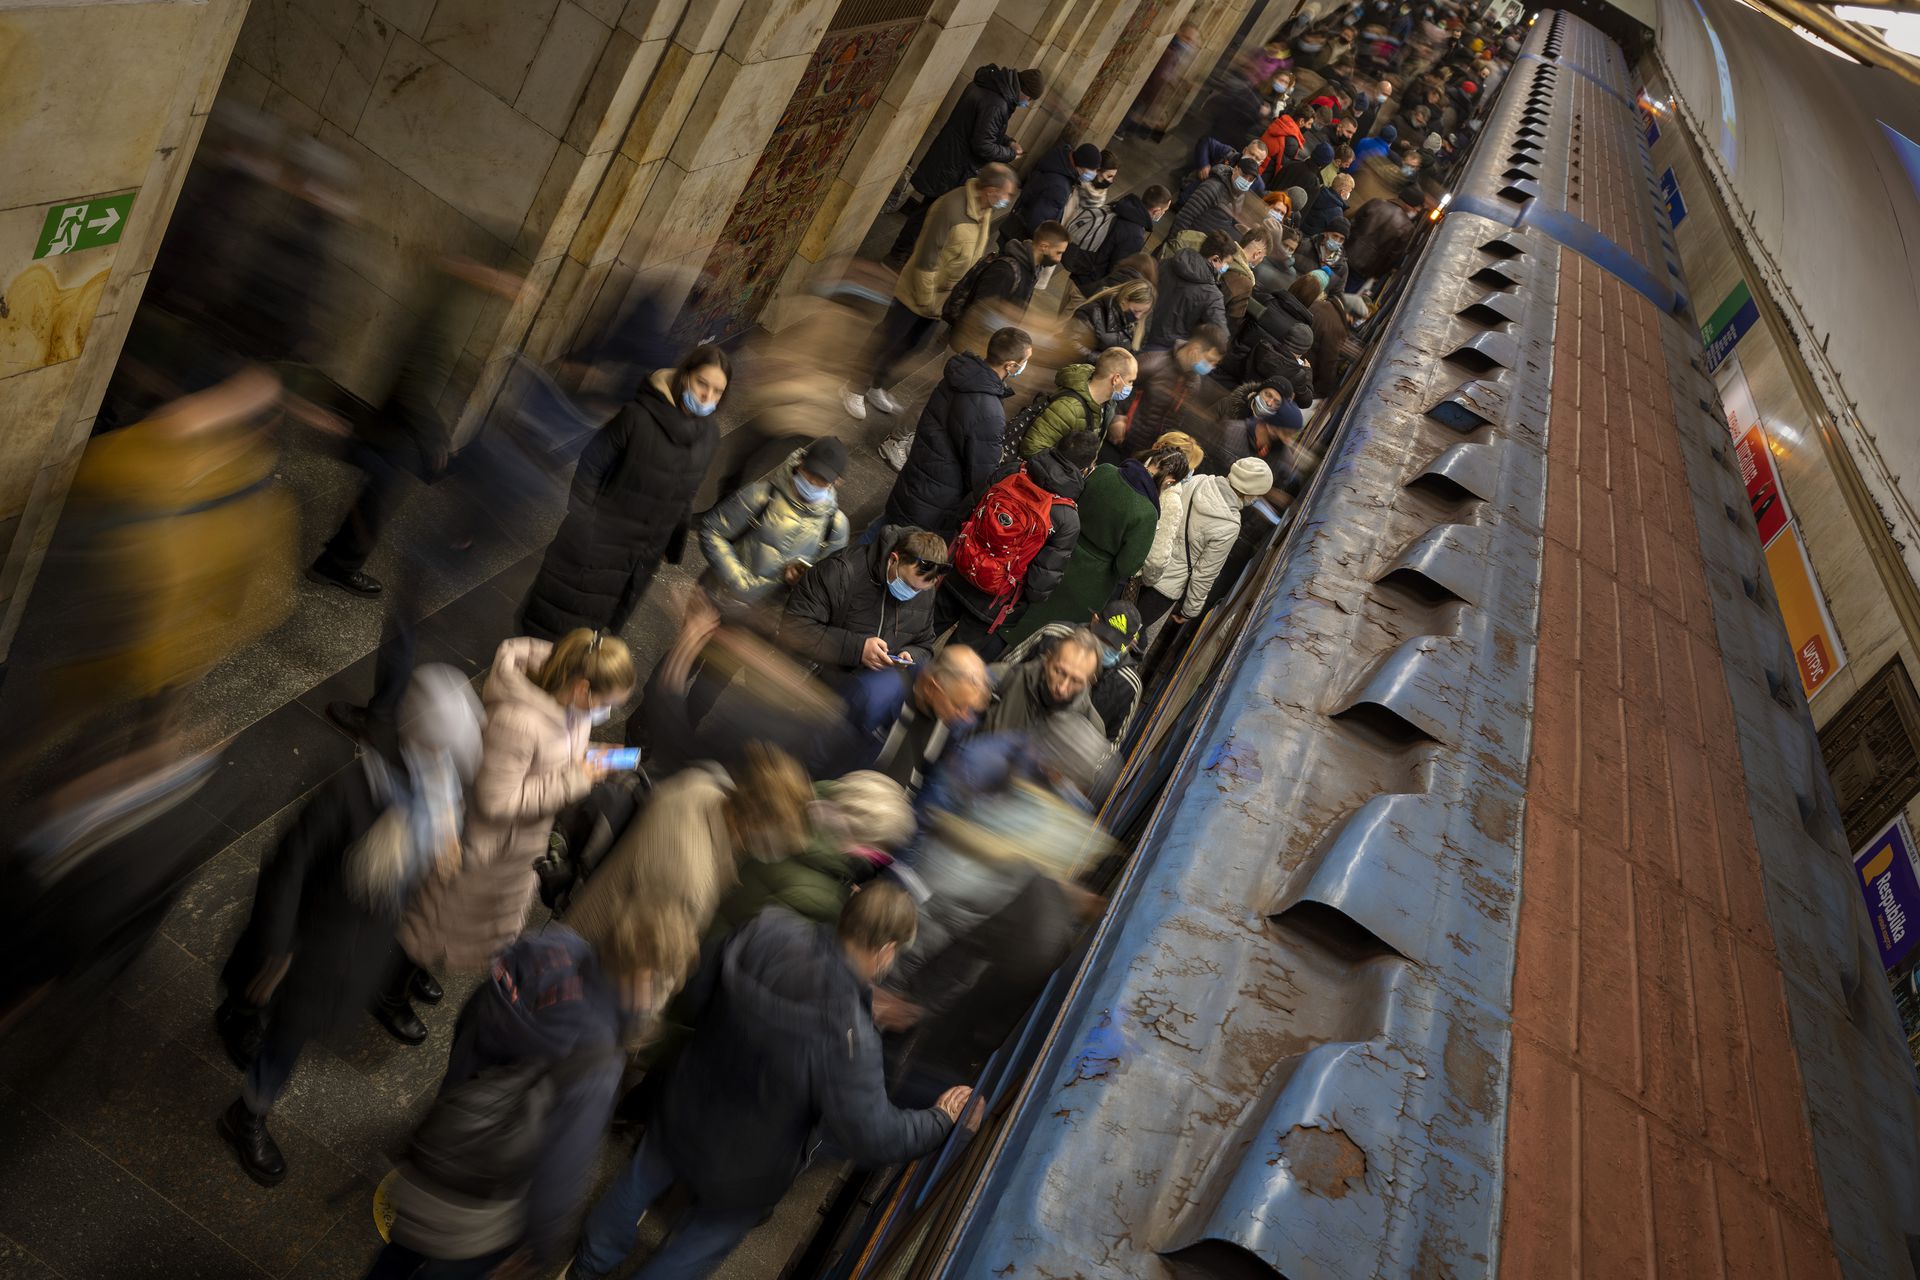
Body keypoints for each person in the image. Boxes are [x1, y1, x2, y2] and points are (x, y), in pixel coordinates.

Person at [565, 883, 969, 1280]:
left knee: (638, 1179)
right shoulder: (851, 1038)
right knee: (698, 1245)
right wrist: (940, 1119)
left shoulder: (768, 928)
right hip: (746, 1168)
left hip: (687, 1102)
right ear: (886, 951)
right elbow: (874, 1135)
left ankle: (589, 1263)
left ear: (849, 909)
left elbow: (698, 988)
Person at [216, 667, 485, 1185]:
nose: (448, 766)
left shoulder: (437, 793)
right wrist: (277, 946)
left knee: (283, 1018)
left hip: (355, 947)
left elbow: (432, 834)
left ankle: (242, 1012)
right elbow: (288, 866)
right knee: (282, 1034)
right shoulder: (351, 792)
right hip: (310, 944)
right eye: (443, 753)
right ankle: (246, 1113)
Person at [389, 632, 635, 1038]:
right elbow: (495, 800)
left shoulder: (571, 708)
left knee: (447, 924)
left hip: (515, 847)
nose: (607, 710)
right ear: (582, 687)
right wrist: (577, 777)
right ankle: (389, 991)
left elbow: (556, 755)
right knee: (432, 918)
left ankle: (411, 972)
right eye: (607, 701)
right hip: (484, 847)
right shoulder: (519, 722)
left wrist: (591, 756)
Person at [367, 925, 630, 1279]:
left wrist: (452, 1097)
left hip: (445, 1138)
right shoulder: (601, 1057)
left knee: (399, 1252)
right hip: (488, 1202)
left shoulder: (551, 946)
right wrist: (539, 1248)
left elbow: (473, 1018)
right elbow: (562, 1171)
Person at [308, 258, 521, 598]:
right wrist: (436, 436)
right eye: (512, 282)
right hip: (401, 431)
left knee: (376, 493)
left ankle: (337, 558)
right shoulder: (450, 307)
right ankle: (336, 565)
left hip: (396, 425)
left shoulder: (454, 298)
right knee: (380, 498)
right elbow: (412, 383)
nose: (517, 291)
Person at [564, 743, 814, 1021]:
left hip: (577, 935)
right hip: (587, 985)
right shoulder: (692, 879)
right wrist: (639, 1028)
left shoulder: (701, 786)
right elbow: (651, 966)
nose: (777, 851)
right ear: (755, 822)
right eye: (780, 839)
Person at [519, 345, 727, 639]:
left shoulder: (709, 435)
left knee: (597, 627)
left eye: (718, 391)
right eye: (702, 384)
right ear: (685, 376)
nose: (707, 397)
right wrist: (585, 523)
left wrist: (671, 545)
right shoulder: (637, 417)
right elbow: (592, 464)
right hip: (598, 540)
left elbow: (685, 494)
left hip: (642, 552)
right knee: (556, 618)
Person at [851, 165, 1018, 422]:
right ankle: (855, 385)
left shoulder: (983, 209)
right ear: (991, 190)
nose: (1007, 200)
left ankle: (876, 384)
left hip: (940, 297)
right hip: (919, 290)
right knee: (888, 338)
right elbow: (927, 258)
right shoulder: (951, 207)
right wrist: (927, 300)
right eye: (1006, 194)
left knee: (913, 344)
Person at [1002, 445, 1186, 644]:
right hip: (1090, 583)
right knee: (1052, 639)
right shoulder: (1147, 513)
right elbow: (1127, 566)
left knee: (1019, 620)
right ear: (1169, 481)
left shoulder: (1105, 470)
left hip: (1056, 550)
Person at [938, 431, 1097, 654]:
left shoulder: (1014, 470)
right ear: (1085, 469)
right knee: (951, 663)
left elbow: (967, 510)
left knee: (921, 633)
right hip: (993, 601)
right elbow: (1040, 584)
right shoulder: (1067, 517)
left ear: (1056, 447)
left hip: (959, 569)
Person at [708, 772, 914, 937]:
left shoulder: (797, 797)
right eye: (878, 854)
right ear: (861, 843)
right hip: (711, 946)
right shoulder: (824, 897)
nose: (875, 860)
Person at [878, 326, 1030, 525]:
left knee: (886, 524)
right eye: (1025, 361)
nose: (1025, 365)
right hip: (937, 499)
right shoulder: (990, 413)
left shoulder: (959, 375)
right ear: (1010, 365)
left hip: (916, 471)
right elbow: (981, 474)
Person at [887, 66, 1041, 261]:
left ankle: (904, 252)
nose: (1027, 103)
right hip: (955, 165)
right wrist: (1010, 154)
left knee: (929, 210)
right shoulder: (997, 103)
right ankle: (900, 254)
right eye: (1029, 99)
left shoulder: (989, 87)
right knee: (929, 213)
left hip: (949, 157)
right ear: (1023, 91)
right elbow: (983, 145)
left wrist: (1007, 141)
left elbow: (983, 128)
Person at [697, 438, 851, 607]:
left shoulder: (835, 527)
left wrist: (798, 582)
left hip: (765, 619)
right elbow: (712, 530)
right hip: (718, 597)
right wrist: (738, 581)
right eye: (809, 472)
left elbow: (823, 585)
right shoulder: (761, 495)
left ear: (837, 482)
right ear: (801, 462)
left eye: (822, 480)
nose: (812, 482)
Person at [781, 527, 949, 675]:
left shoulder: (925, 591)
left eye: (920, 589)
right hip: (814, 677)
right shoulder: (840, 572)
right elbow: (795, 626)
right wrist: (858, 649)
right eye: (907, 584)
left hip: (861, 687)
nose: (912, 593)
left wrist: (909, 654)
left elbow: (925, 645)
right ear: (893, 559)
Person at [829, 646, 993, 792]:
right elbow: (821, 751)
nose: (966, 717)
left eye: (970, 709)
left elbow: (933, 781)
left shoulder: (953, 724)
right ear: (931, 687)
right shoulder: (873, 695)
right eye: (958, 706)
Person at [1139, 458, 1274, 633]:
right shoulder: (1229, 525)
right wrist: (1189, 610)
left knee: (1109, 616)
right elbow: (1205, 573)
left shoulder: (1199, 481)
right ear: (1249, 494)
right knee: (1125, 631)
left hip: (1144, 560)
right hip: (1165, 587)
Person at [997, 601, 1146, 749]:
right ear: (1094, 620)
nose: (1103, 649)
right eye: (1102, 638)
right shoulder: (1054, 634)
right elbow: (1007, 669)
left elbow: (1109, 749)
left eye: (1113, 645)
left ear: (1130, 644)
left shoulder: (1128, 685)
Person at [944, 226, 1068, 360]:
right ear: (1044, 247)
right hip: (968, 349)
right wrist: (1033, 325)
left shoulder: (1032, 270)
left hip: (987, 347)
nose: (1059, 259)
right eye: (1059, 252)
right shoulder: (1006, 271)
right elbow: (981, 313)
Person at [1113, 326, 1230, 457]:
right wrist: (1115, 418)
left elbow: (1176, 419)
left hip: (1147, 453)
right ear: (1194, 350)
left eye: (1215, 363)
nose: (1211, 367)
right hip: (1119, 442)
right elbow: (1113, 385)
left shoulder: (1195, 383)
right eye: (1209, 360)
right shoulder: (1152, 363)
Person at [978, 626, 1106, 738]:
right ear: (1048, 659)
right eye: (1059, 672)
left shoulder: (1092, 730)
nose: (1062, 688)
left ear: (1090, 681)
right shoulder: (1000, 677)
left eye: (1076, 681)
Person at [1017, 348, 1137, 458]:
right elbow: (1031, 449)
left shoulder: (1107, 405)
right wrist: (1067, 474)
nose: (1130, 386)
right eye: (1130, 381)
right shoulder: (1068, 408)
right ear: (1115, 379)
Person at [1064, 182, 1166, 301]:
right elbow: (1117, 271)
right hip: (1089, 290)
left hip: (1078, 274)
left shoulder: (1121, 207)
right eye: (1164, 211)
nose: (1163, 214)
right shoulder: (1135, 234)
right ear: (1157, 211)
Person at [1141, 231, 1233, 352]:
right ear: (1215, 259)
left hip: (1138, 331)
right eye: (1226, 263)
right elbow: (1221, 336)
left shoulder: (1168, 262)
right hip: (1165, 351)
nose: (1226, 268)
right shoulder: (1212, 296)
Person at [1000, 141, 1100, 248]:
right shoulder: (1059, 188)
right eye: (1093, 169)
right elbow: (1038, 222)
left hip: (1015, 224)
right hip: (1021, 241)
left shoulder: (1058, 160)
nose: (1095, 173)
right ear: (1082, 166)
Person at [1121, 22, 1202, 140]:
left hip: (1144, 95)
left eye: (1192, 42)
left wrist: (1179, 82)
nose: (1189, 44)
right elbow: (1159, 76)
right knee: (1127, 119)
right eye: (1187, 39)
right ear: (1179, 33)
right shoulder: (1170, 52)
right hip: (1142, 93)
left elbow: (1167, 72)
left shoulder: (1175, 51)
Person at [1345, 181, 1425, 292]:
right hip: (1363, 270)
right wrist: (1376, 275)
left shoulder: (1376, 203)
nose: (1415, 212)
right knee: (1337, 300)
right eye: (1416, 209)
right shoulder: (1407, 227)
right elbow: (1392, 257)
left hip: (1345, 254)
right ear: (1409, 205)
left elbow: (1352, 223)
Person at [1165, 156, 1261, 247]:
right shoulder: (1213, 187)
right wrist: (1173, 243)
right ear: (1235, 169)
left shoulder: (1240, 197)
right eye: (1244, 175)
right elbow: (1185, 216)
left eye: (1251, 179)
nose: (1246, 181)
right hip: (1187, 242)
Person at [1067, 279, 1155, 358]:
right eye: (1136, 311)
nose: (1138, 317)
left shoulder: (1133, 324)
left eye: (1143, 313)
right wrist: (1104, 361)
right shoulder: (1093, 312)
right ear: (1125, 299)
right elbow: (1070, 342)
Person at [1308, 285, 1354, 398]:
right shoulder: (1337, 328)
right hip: (1305, 369)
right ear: (1349, 314)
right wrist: (1322, 391)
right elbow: (1328, 361)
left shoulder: (1318, 304)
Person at [1221, 226, 1268, 325]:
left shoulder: (1220, 248)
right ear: (1257, 254)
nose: (1261, 260)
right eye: (1263, 257)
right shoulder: (1244, 283)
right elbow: (1231, 322)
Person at [1301, 172, 1355, 238]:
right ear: (1342, 192)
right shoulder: (1337, 211)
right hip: (1310, 239)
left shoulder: (1319, 191)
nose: (1349, 194)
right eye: (1349, 192)